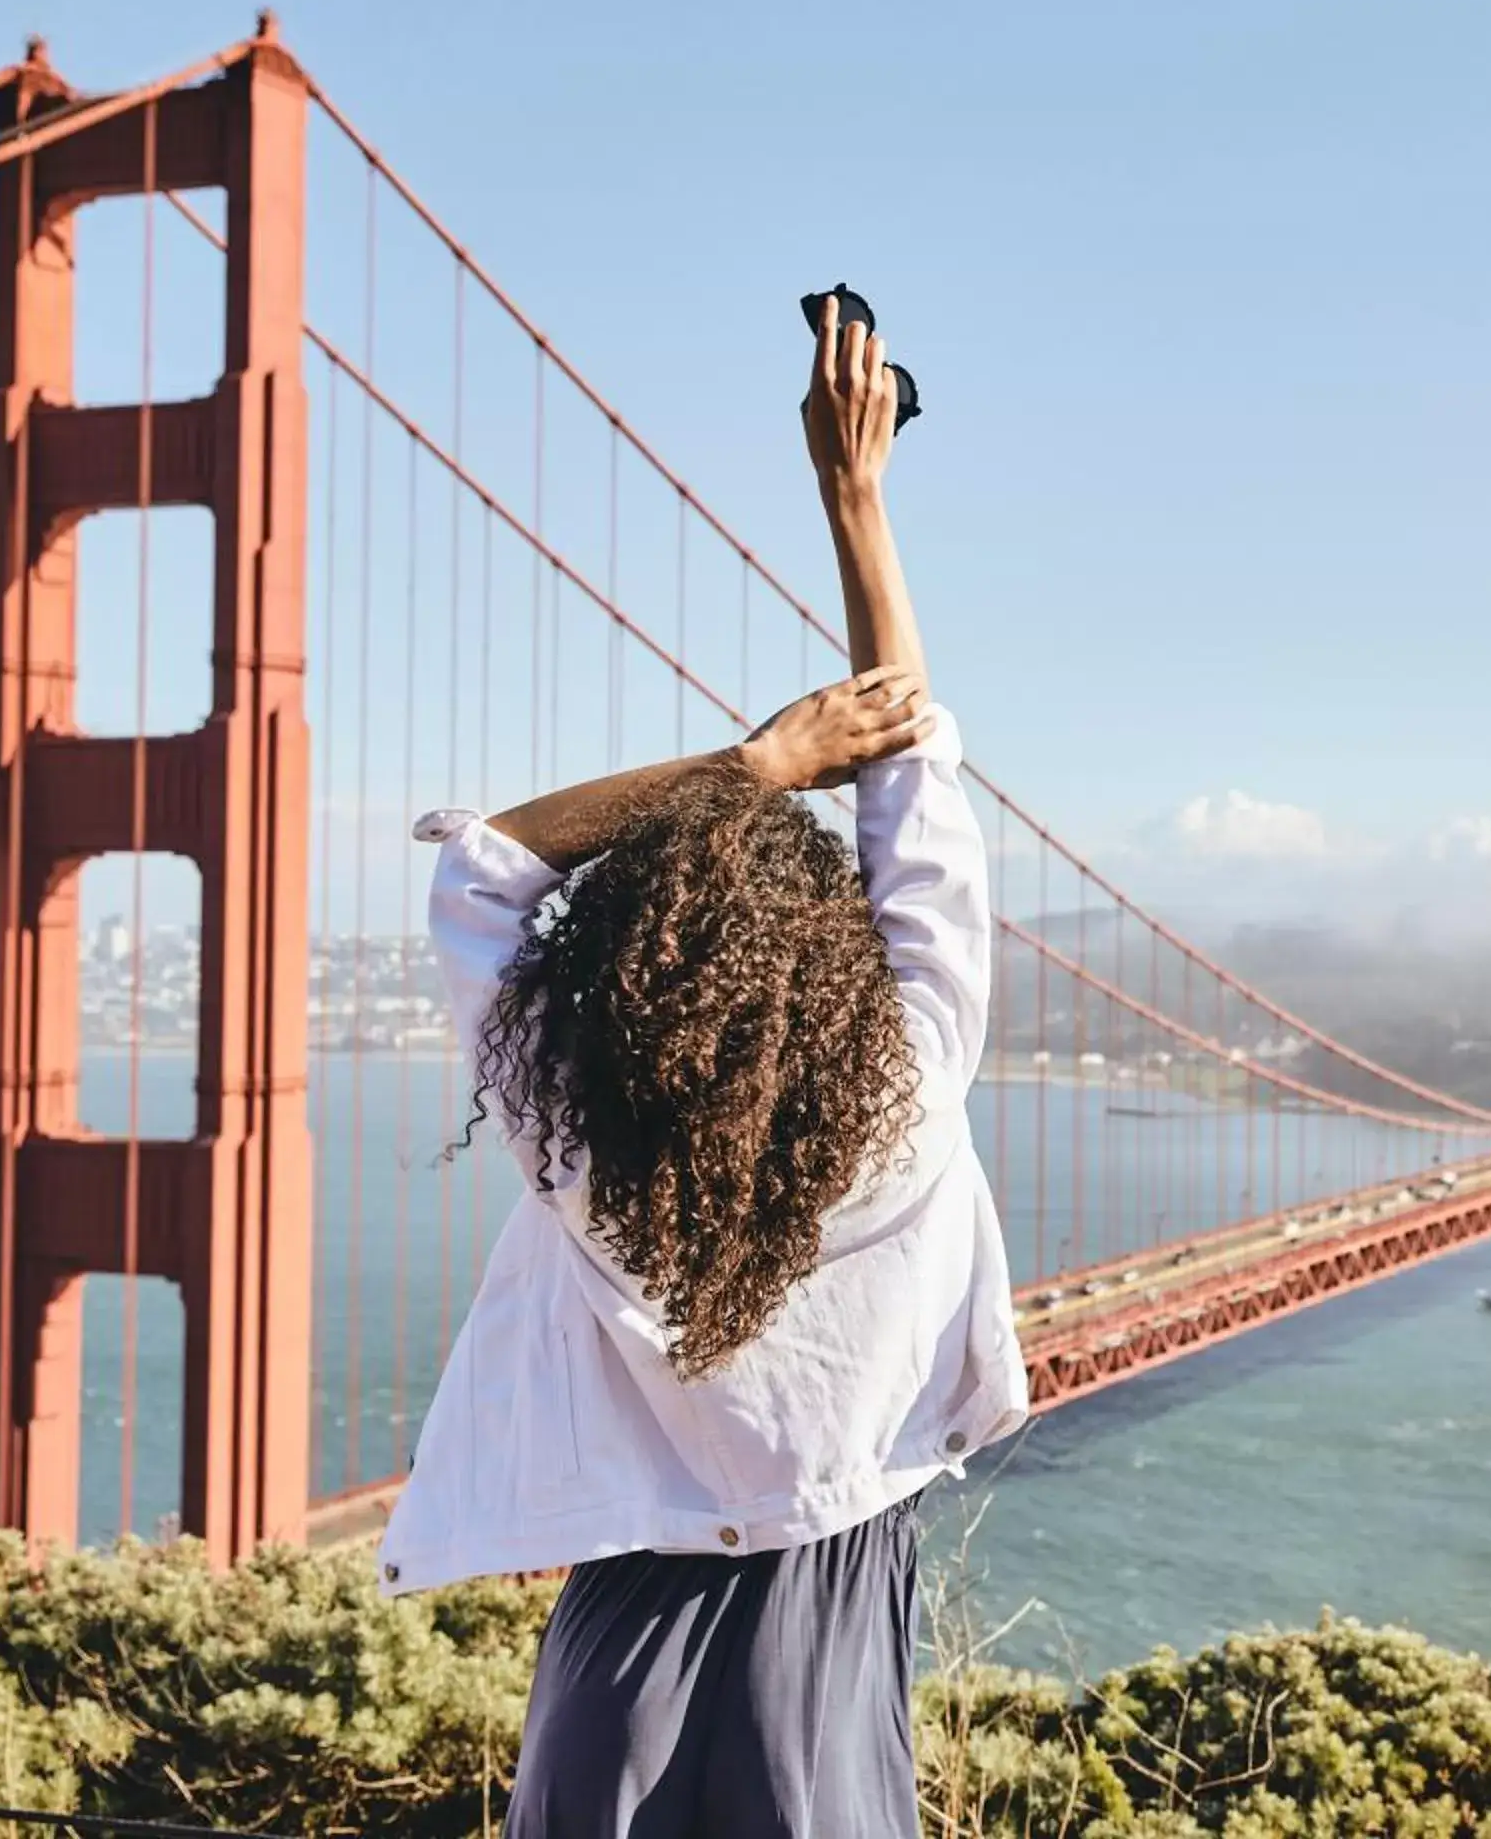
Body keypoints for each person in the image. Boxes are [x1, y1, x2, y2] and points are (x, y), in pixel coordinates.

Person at [377, 301, 1026, 1838]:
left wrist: (750, 769)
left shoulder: (573, 1131)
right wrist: (858, 502)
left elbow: (483, 868)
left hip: (625, 1625)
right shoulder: (911, 1096)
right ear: (838, 968)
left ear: (629, 984)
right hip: (828, 1599)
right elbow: (917, 785)